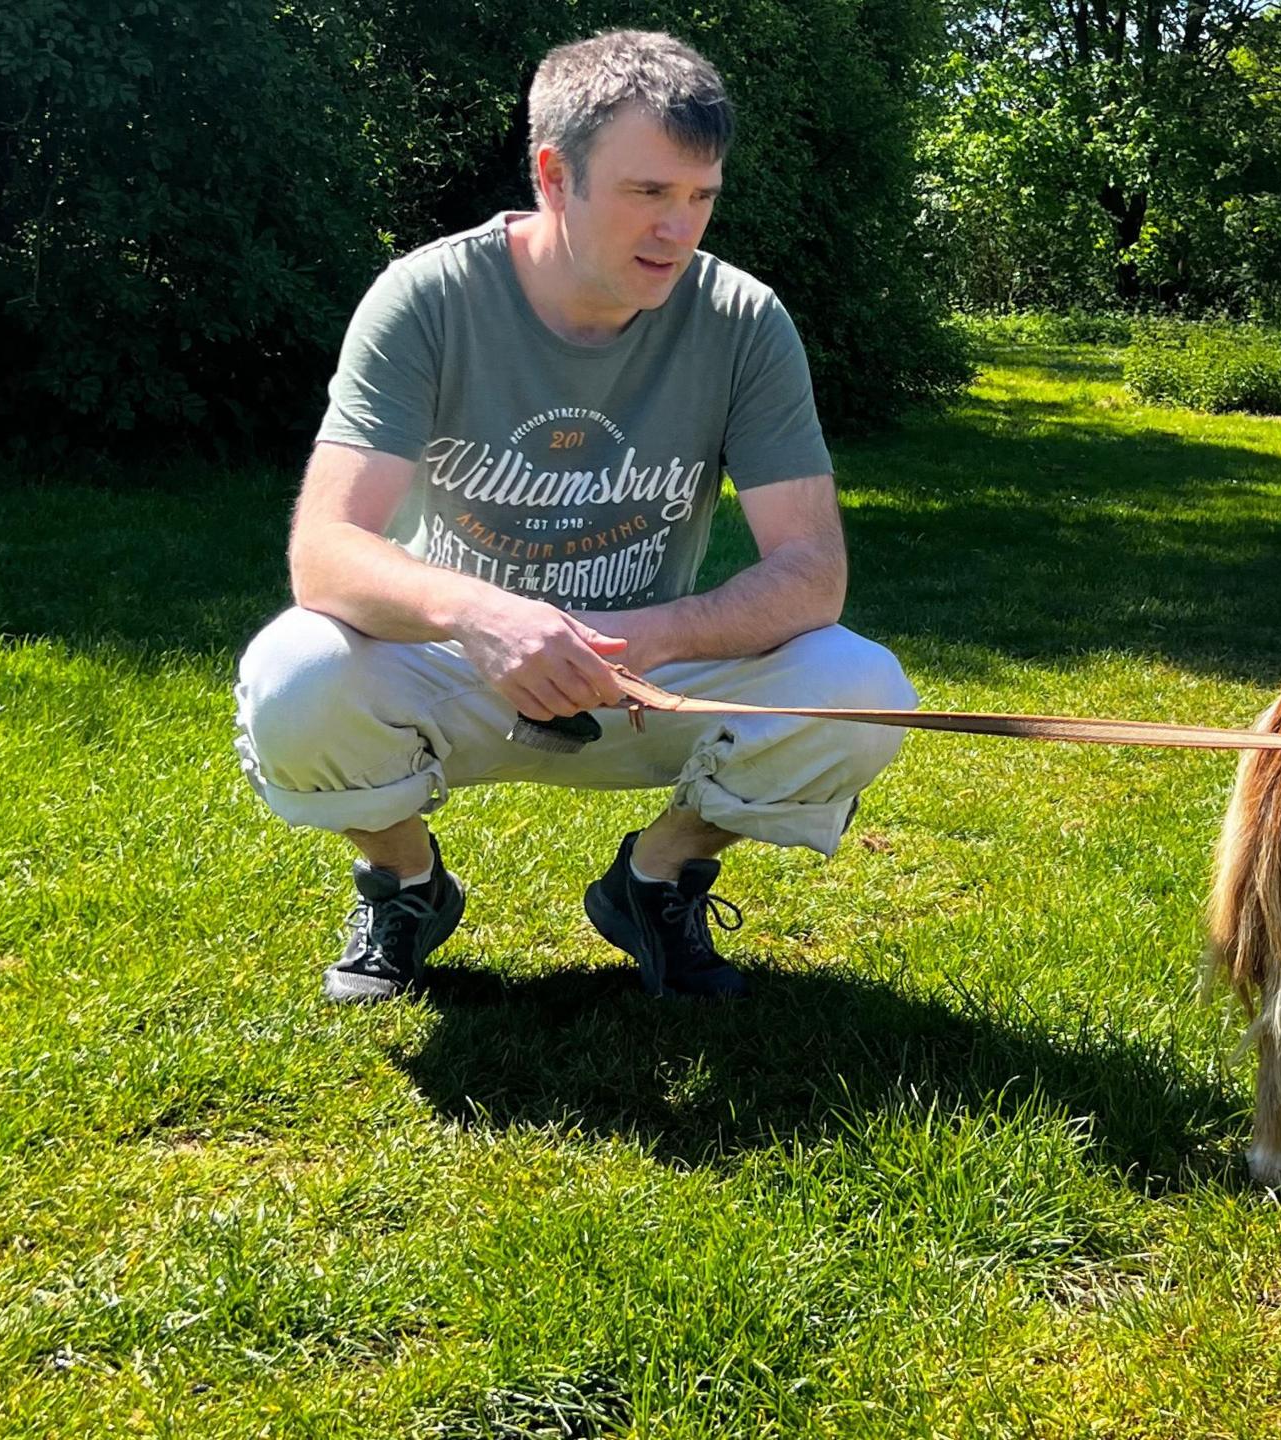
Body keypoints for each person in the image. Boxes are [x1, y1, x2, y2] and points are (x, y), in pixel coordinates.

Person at [232, 29, 915, 1004]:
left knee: (862, 688)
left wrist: (648, 636)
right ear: (555, 175)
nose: (679, 230)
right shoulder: (426, 300)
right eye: (649, 193)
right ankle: (405, 885)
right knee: (296, 672)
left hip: (645, 681)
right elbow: (327, 553)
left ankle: (654, 882)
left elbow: (811, 572)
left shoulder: (743, 321)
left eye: (700, 197)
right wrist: (484, 615)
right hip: (459, 669)